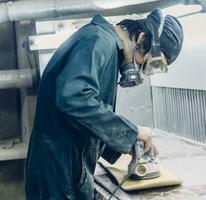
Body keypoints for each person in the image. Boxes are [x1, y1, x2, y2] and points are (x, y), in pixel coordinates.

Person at [25, 8, 183, 200]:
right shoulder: (98, 42)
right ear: (142, 40)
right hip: (58, 169)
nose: (140, 70)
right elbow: (74, 98)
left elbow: (87, 118)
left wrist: (128, 144)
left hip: (66, 164)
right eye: (147, 63)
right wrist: (132, 132)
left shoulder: (105, 46)